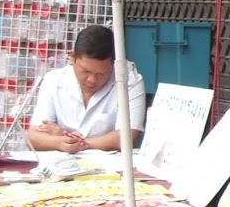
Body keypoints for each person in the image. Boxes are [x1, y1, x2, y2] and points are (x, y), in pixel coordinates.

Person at [26, 25, 145, 154]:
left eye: (101, 74)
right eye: (85, 71)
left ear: (114, 65)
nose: (91, 80)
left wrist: (68, 138)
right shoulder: (53, 80)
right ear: (72, 57)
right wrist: (61, 143)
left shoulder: (128, 81)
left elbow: (127, 137)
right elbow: (34, 137)